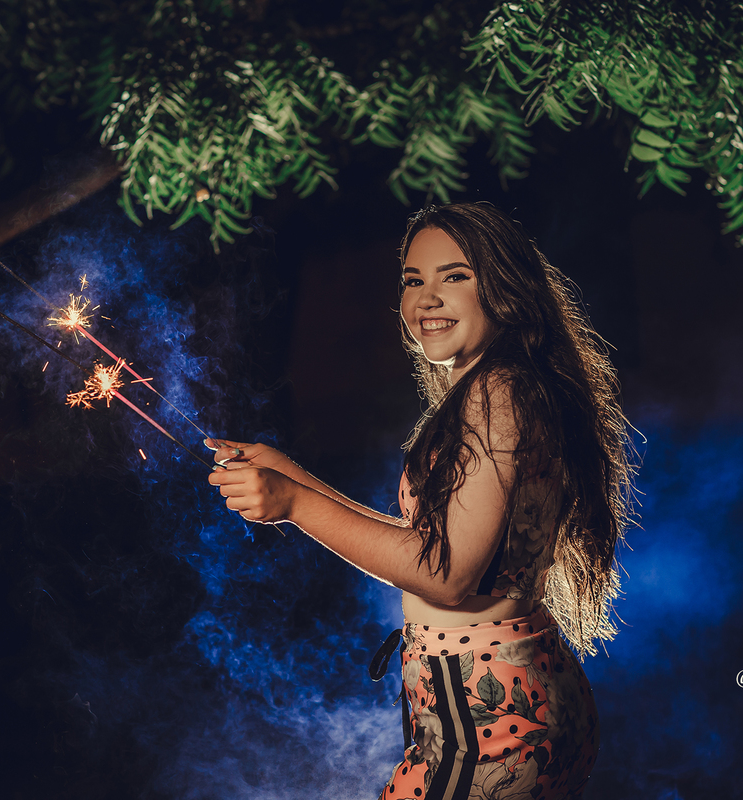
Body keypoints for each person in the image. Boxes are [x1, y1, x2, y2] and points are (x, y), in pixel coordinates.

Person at [206, 202, 634, 800]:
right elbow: (439, 546)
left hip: (486, 724)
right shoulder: (505, 386)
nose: (426, 298)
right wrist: (291, 478)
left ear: (504, 286)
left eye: (454, 276)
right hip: (524, 697)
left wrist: (294, 504)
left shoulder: (497, 394)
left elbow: (447, 576)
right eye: (413, 280)